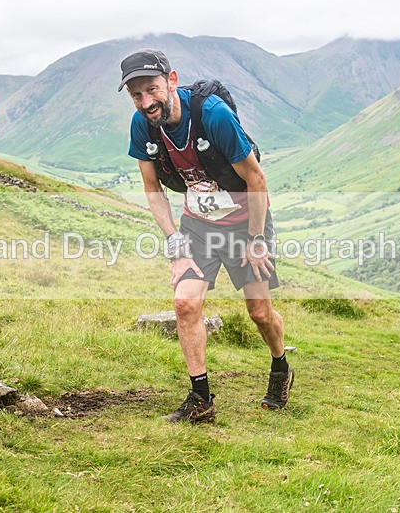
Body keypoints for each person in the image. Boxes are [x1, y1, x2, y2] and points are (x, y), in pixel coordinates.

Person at [119, 49, 292, 422]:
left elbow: (256, 179)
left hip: (246, 222)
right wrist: (173, 239)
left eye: (152, 89)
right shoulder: (142, 125)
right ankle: (201, 400)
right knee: (185, 304)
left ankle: (280, 366)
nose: (146, 103)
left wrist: (256, 240)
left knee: (259, 312)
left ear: (172, 81)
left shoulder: (213, 115)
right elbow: (152, 187)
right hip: (198, 224)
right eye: (137, 95)